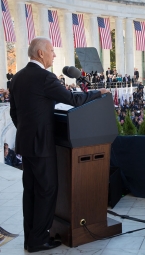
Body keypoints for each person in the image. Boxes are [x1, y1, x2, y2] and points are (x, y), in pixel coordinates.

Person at [9, 37, 110, 253]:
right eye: (52, 51)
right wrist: (97, 93)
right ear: (41, 53)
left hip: (26, 145)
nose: (55, 55)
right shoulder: (45, 78)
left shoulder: (17, 77)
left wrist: (29, 132)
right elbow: (72, 100)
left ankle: (31, 238)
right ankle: (38, 240)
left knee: (31, 192)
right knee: (47, 191)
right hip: (43, 145)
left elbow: (14, 113)